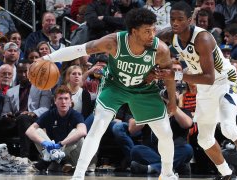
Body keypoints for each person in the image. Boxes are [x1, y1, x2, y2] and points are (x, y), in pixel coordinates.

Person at [35, 8, 178, 180]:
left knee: (165, 132)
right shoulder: (114, 42)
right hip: (114, 85)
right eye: (147, 31)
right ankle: (78, 175)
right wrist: (46, 59)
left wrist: (172, 100)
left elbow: (169, 74)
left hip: (143, 88)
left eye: (154, 30)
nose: (153, 34)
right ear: (133, 32)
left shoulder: (160, 49)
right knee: (97, 127)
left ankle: (168, 174)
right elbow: (79, 49)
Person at [157, 1, 237, 179]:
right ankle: (227, 174)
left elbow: (210, 77)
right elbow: (152, 39)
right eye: (172, 19)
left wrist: (175, 75)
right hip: (204, 86)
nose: (175, 23)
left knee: (228, 128)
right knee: (204, 139)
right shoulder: (171, 35)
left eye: (180, 19)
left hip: (224, 79)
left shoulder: (203, 38)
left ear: (190, 19)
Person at [25, 85, 87, 172]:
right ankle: (55, 158)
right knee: (37, 131)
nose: (63, 102)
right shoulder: (49, 114)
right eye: (60, 98)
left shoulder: (75, 115)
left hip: (71, 158)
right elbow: (29, 131)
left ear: (70, 101)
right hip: (54, 158)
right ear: (55, 101)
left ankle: (48, 160)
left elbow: (83, 131)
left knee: (77, 132)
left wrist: (61, 144)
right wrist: (44, 142)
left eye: (66, 98)